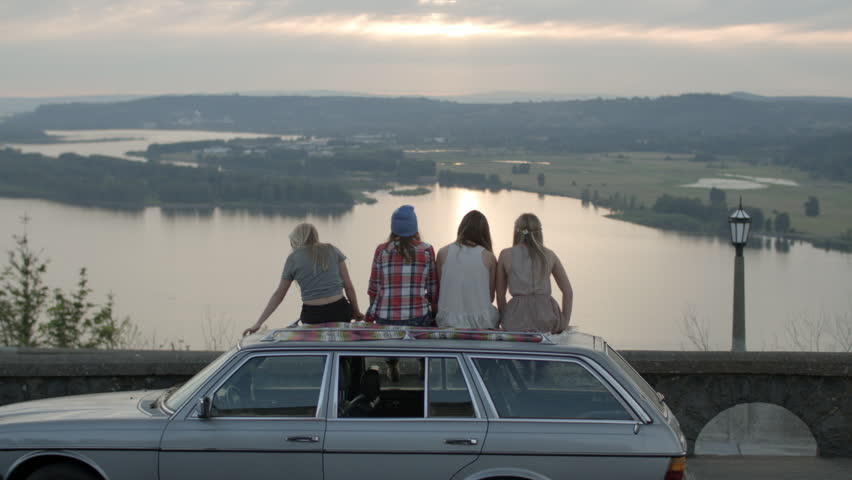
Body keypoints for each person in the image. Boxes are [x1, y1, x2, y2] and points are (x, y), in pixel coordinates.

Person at [243, 223, 362, 335]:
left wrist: (258, 323)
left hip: (313, 314)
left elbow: (279, 294)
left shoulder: (293, 258)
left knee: (317, 353)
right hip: (339, 310)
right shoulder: (332, 250)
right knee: (345, 349)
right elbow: (348, 286)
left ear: (296, 239)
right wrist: (356, 312)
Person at [496, 213, 573, 333]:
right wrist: (565, 322)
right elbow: (568, 291)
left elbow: (500, 295)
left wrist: (505, 317)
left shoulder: (506, 255)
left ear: (516, 232)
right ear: (539, 233)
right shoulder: (549, 255)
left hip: (516, 318)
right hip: (547, 317)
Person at [365, 205, 438, 327]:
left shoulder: (382, 250)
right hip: (418, 318)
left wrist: (373, 314)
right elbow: (433, 292)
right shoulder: (426, 250)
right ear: (414, 227)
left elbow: (373, 289)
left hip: (385, 318)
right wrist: (434, 315)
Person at [435, 210, 499, 329]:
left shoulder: (443, 253)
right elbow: (490, 297)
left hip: (448, 321)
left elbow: (442, 289)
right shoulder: (489, 257)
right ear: (485, 233)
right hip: (480, 323)